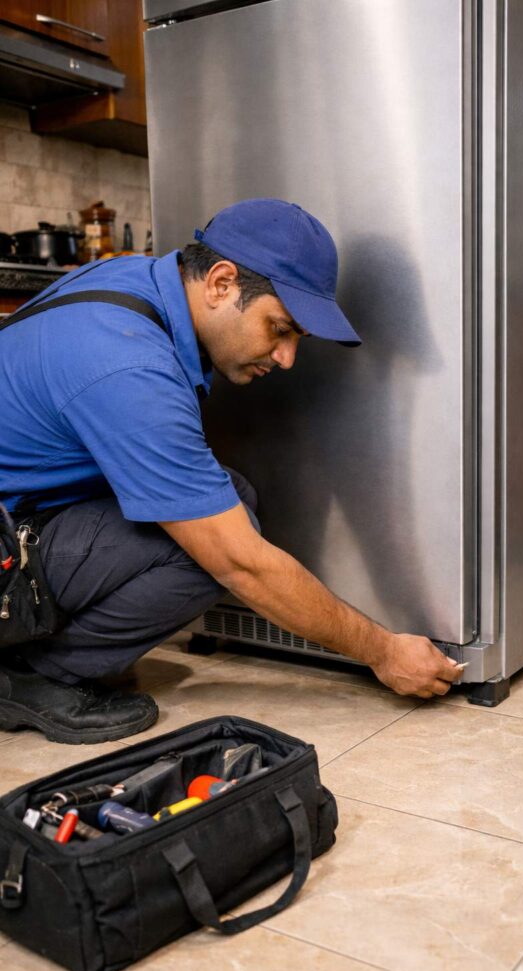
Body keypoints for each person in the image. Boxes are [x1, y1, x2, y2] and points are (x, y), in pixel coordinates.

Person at [0, 198, 464, 744]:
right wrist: (382, 651)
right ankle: (28, 676)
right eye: (280, 329)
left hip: (20, 513)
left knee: (230, 498)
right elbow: (241, 564)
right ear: (221, 283)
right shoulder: (130, 367)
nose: (287, 358)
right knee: (209, 551)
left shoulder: (137, 283)